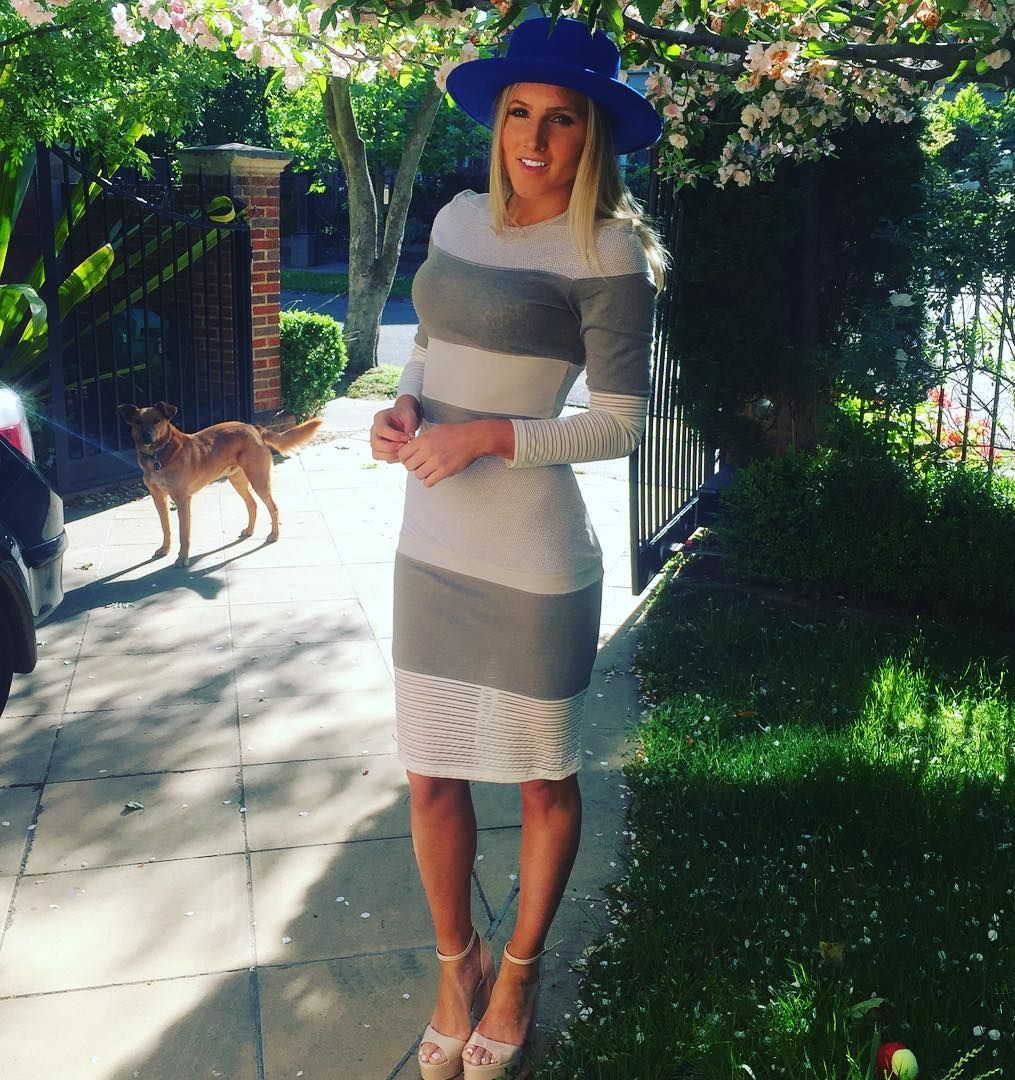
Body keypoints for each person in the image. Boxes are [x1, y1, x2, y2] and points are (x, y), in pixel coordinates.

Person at [369, 16, 666, 1079]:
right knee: (430, 779)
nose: (534, 139)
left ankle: (520, 972)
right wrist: (403, 410)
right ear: (496, 121)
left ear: (595, 134)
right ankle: (459, 966)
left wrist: (491, 436)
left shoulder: (608, 250)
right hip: (432, 547)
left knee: (542, 782)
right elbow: (430, 348)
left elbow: (620, 424)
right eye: (518, 113)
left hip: (534, 564)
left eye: (562, 119)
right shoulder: (457, 218)